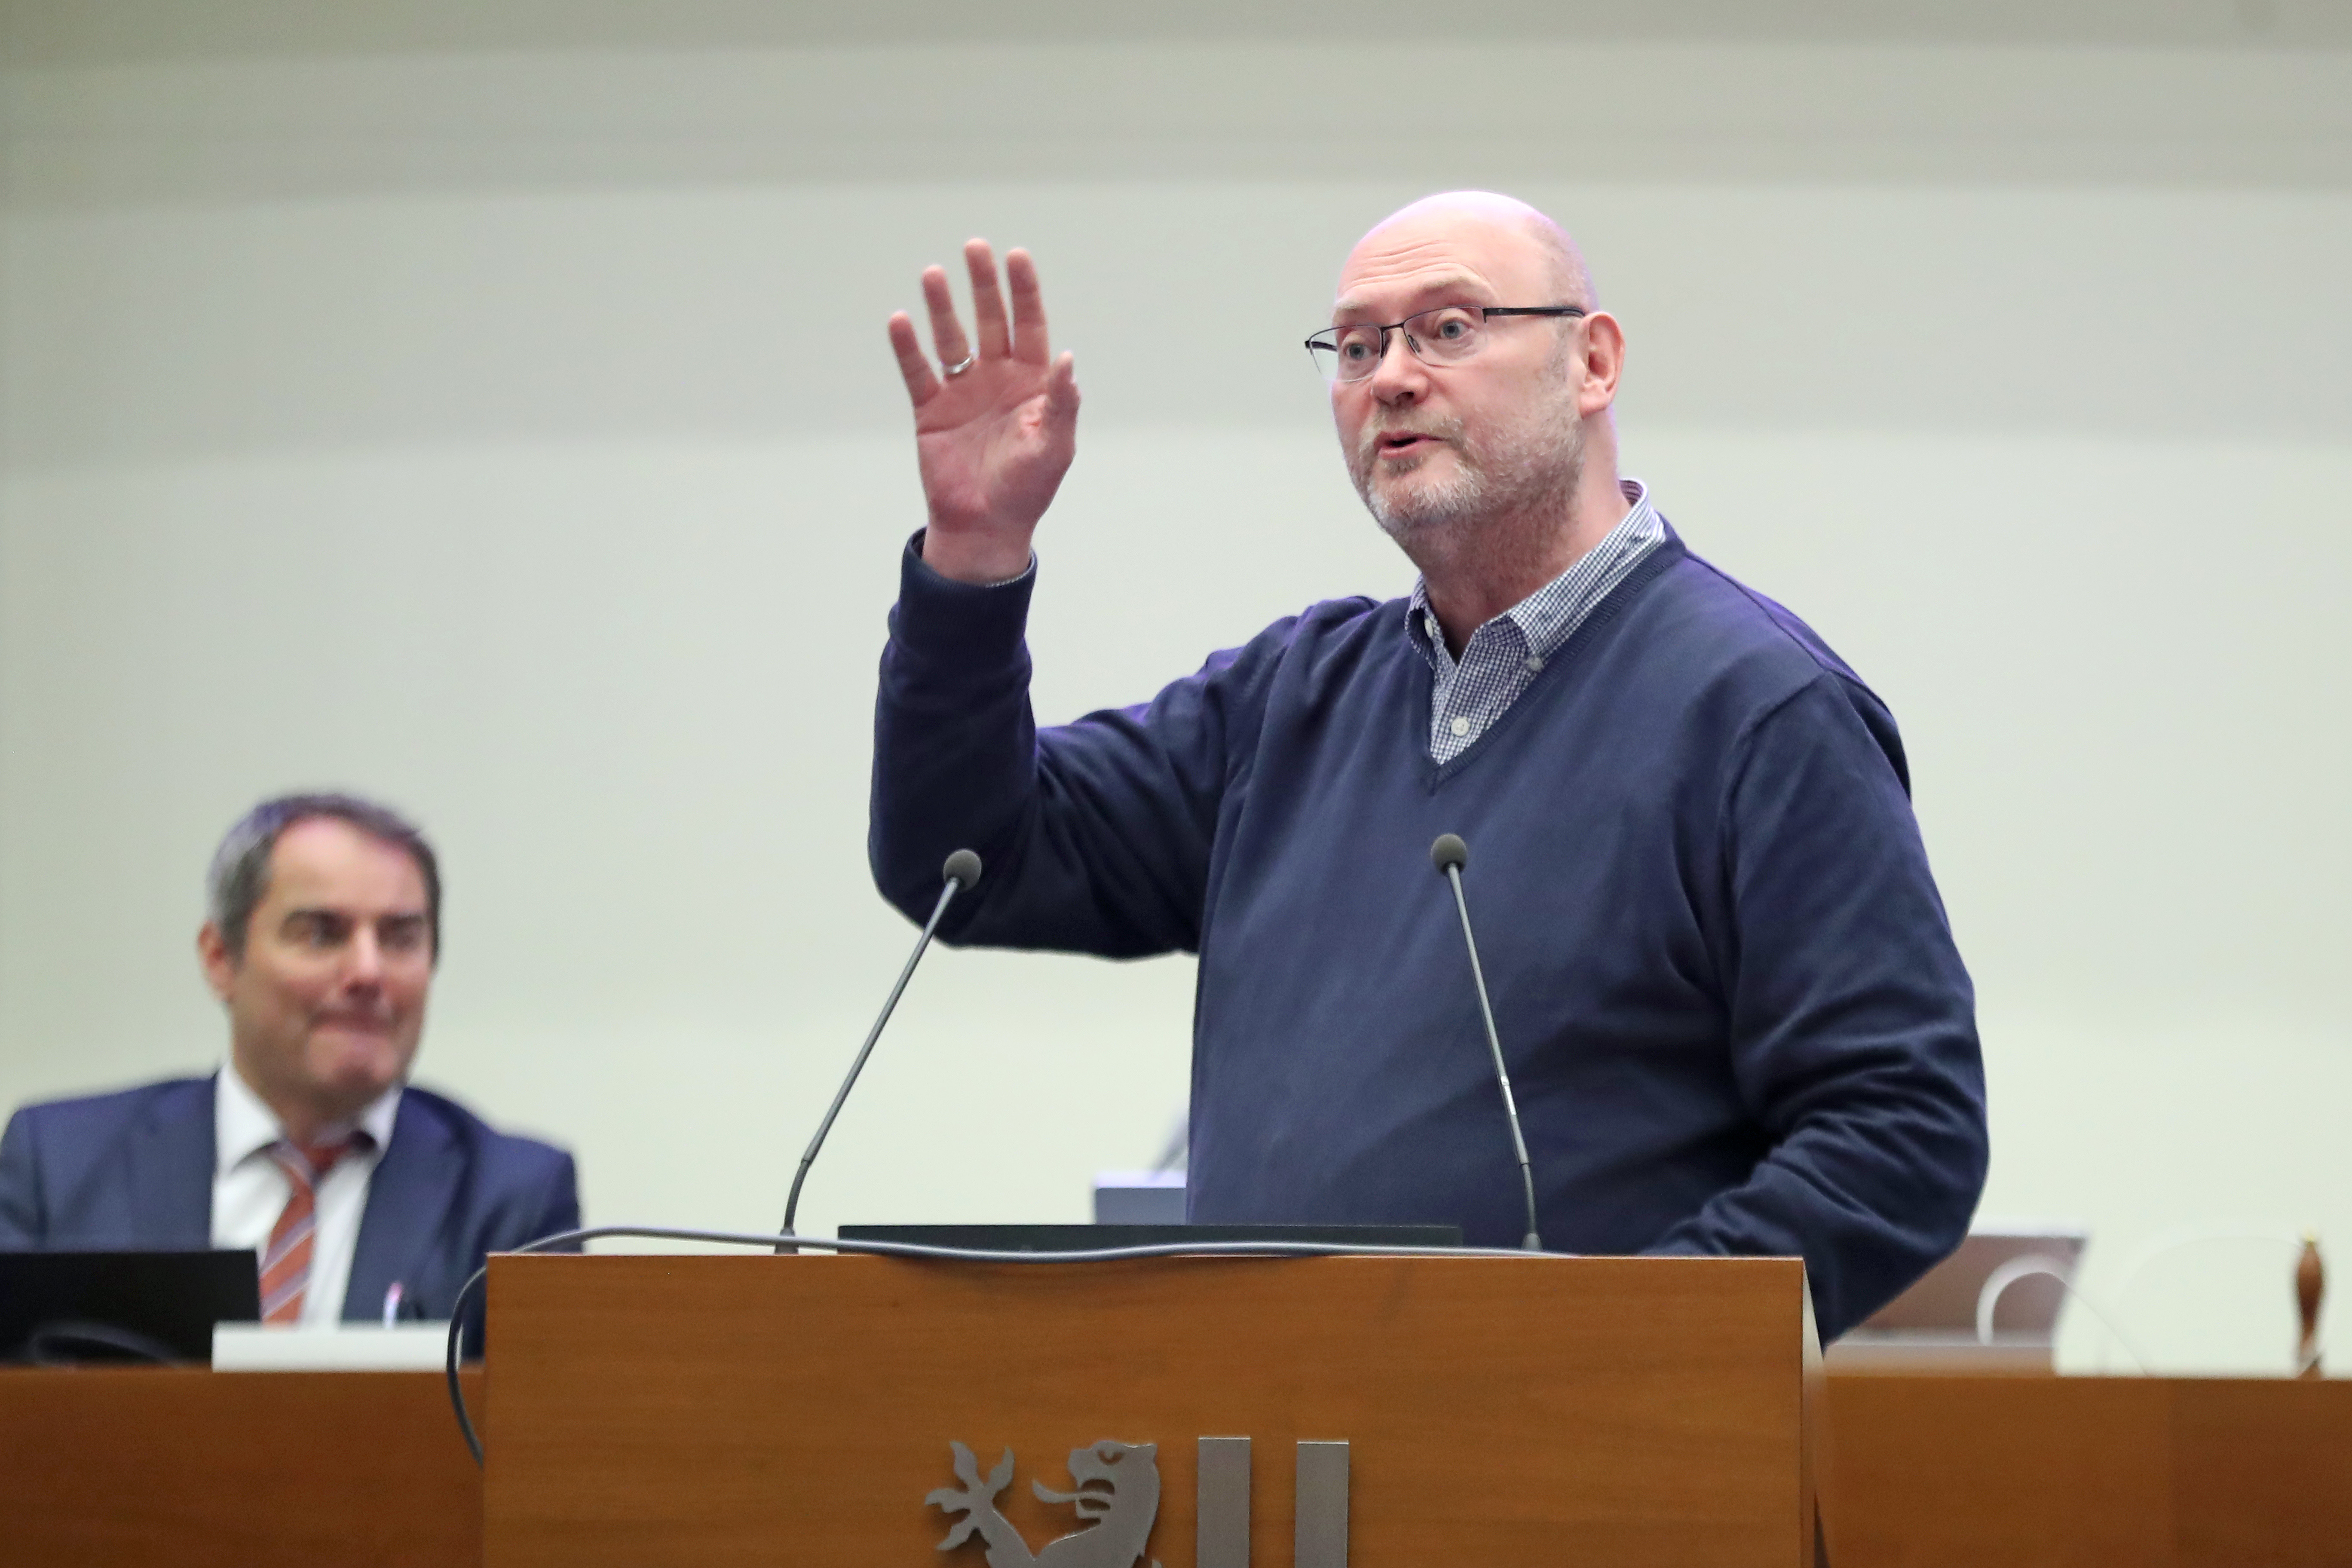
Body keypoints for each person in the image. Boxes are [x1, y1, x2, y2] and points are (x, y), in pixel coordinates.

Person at [867, 191, 1988, 1340]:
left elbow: (1901, 1129)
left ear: (1591, 362)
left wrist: (1625, 1350)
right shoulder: (1292, 701)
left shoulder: (1756, 711)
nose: (1392, 377)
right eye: (1357, 346)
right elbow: (970, 856)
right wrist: (975, 558)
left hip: (1583, 1476)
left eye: (1450, 328)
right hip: (1267, 1471)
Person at [0, 793, 577, 1341]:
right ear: (220, 958)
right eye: (322, 934)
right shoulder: (60, 1164)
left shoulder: (509, 1199)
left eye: (401, 938)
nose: (368, 972)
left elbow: (538, 1436)